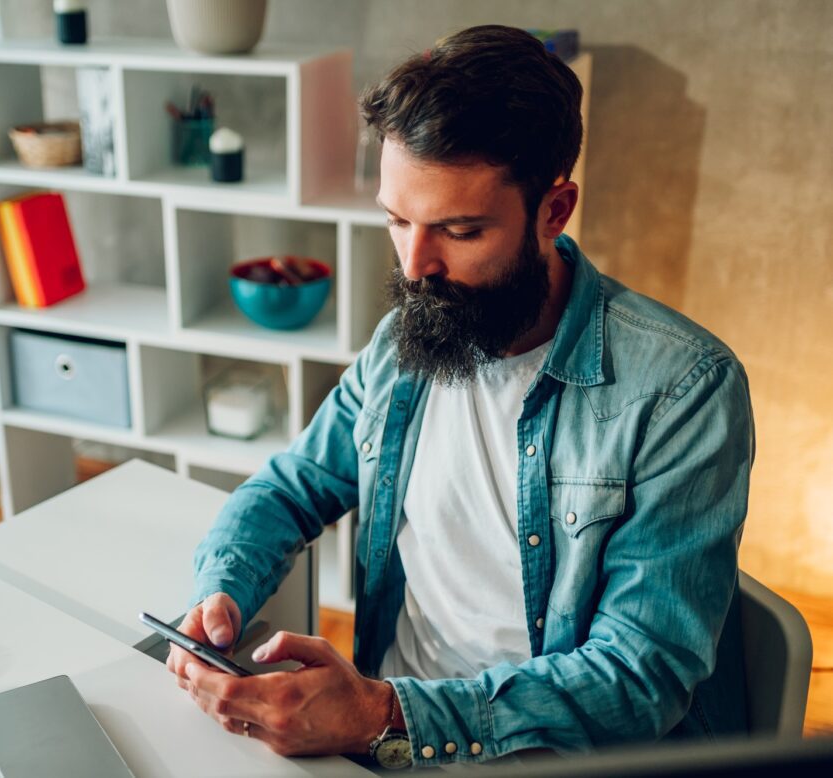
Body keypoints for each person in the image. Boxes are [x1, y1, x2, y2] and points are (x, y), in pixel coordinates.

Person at [165, 25, 754, 769]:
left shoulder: (683, 391)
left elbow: (640, 680)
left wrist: (383, 712)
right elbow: (289, 489)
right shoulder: (402, 345)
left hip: (535, 750)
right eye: (397, 220)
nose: (415, 268)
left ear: (554, 209)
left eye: (460, 230)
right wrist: (221, 595)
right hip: (393, 740)